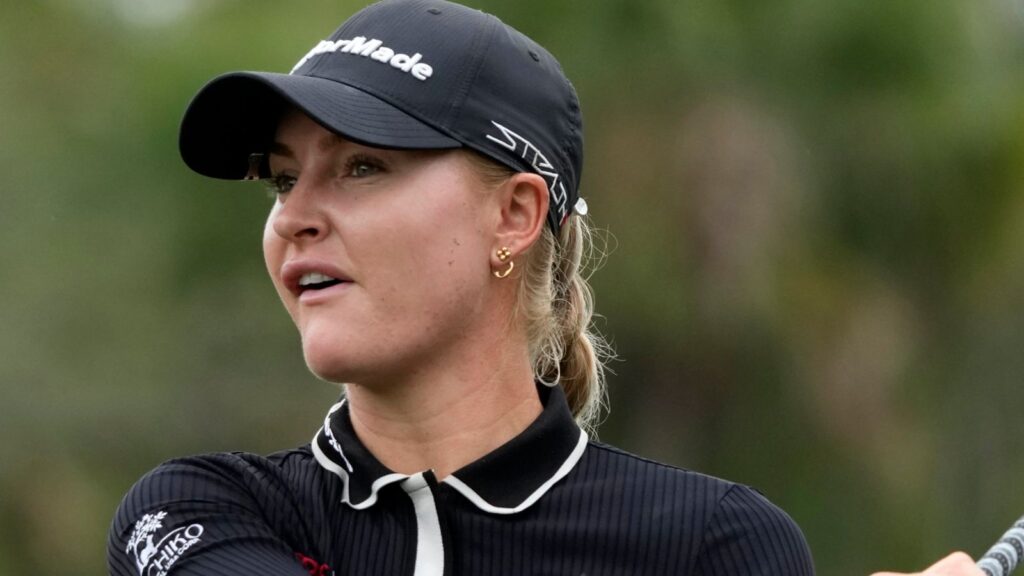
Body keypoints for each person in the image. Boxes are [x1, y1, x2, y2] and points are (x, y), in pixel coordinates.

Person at [105, 1, 985, 575]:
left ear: (515, 216)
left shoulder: (710, 545)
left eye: (363, 166)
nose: (294, 215)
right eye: (281, 177)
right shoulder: (198, 512)